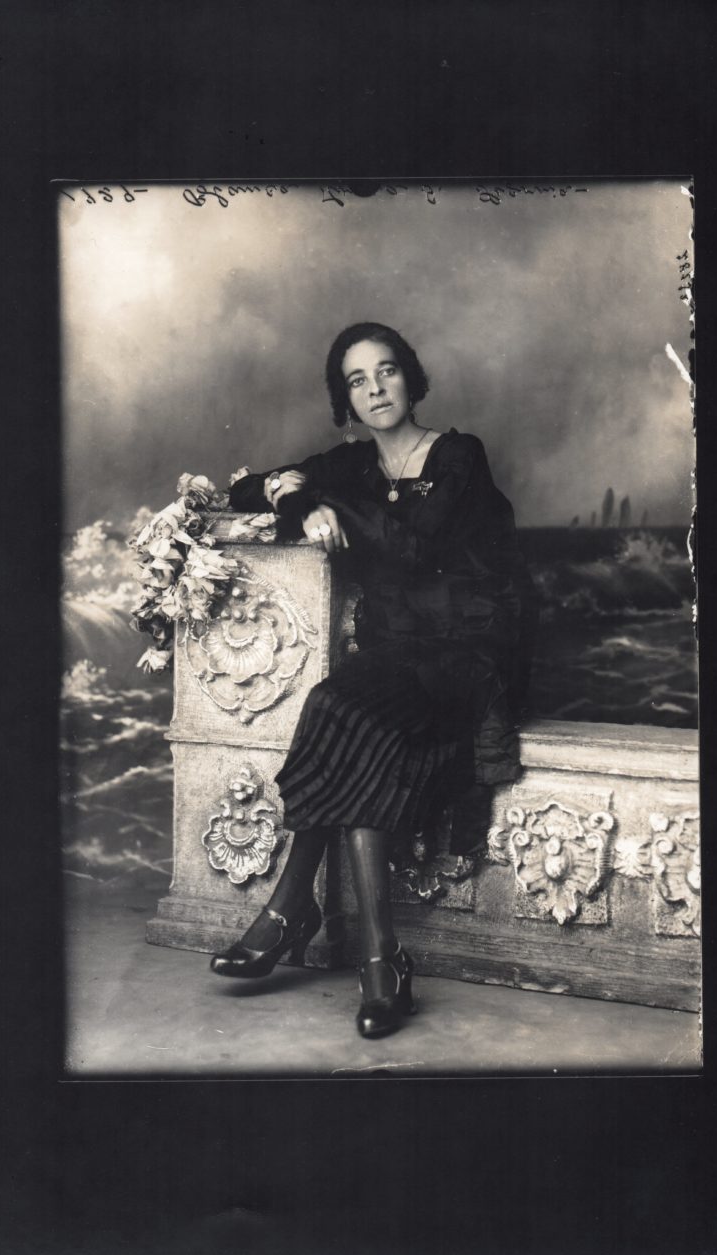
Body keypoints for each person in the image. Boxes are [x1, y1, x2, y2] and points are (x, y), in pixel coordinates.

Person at [210, 322, 525, 1038]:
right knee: (334, 704)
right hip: (395, 657)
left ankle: (291, 912)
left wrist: (319, 502)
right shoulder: (350, 465)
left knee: (354, 720)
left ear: (411, 378)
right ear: (345, 399)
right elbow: (245, 486)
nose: (376, 388)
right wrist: (292, 495)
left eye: (387, 371)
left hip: (468, 655)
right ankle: (379, 956)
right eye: (358, 380)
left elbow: (414, 546)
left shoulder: (458, 455)